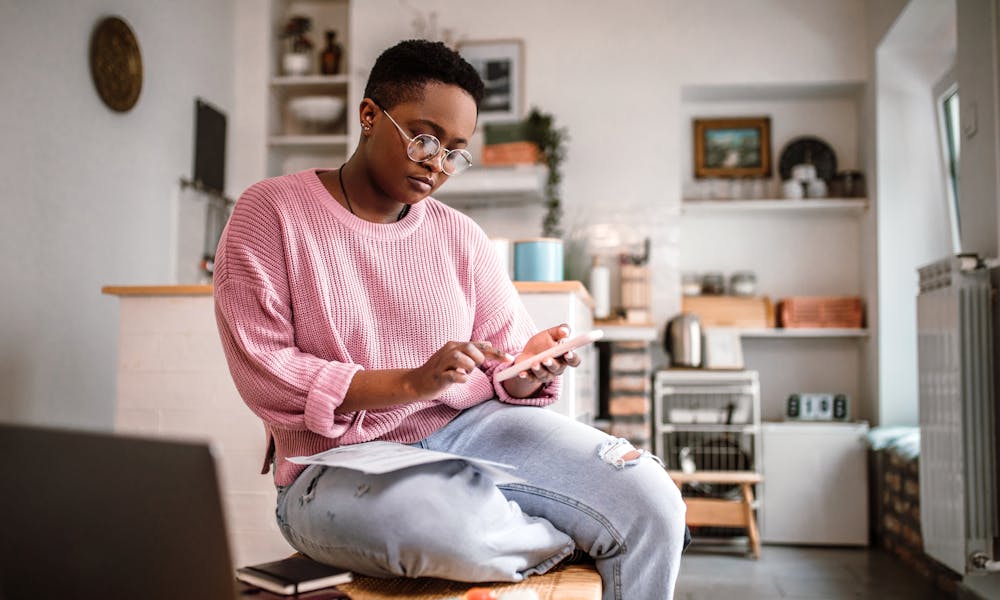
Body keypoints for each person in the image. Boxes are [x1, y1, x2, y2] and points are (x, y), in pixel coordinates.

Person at [213, 39, 687, 599]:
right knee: (434, 524)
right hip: (334, 464)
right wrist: (410, 383)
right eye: (424, 138)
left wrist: (528, 369)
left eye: (455, 151)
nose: (437, 163)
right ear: (369, 116)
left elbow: (505, 362)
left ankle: (539, 523)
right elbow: (264, 370)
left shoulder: (458, 234)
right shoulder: (270, 212)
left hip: (473, 432)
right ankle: (573, 533)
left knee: (653, 501)